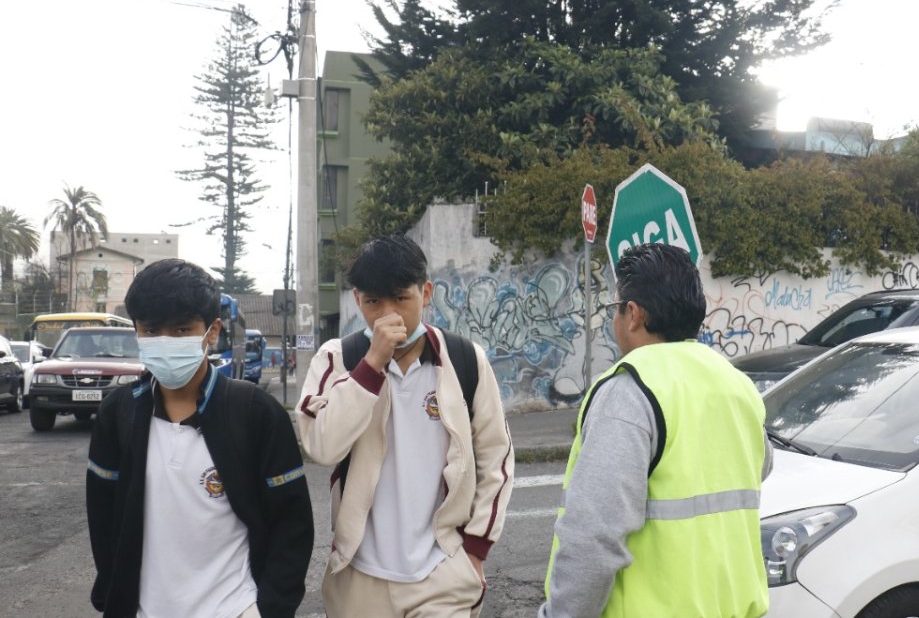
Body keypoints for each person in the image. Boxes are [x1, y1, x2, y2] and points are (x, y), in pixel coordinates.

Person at [541, 243, 772, 618]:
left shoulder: (629, 390)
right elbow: (760, 466)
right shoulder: (736, 384)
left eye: (613, 309)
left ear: (632, 314)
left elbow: (593, 538)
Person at [296, 235, 514, 618]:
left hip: (441, 573)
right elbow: (322, 447)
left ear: (426, 293)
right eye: (373, 302)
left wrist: (475, 552)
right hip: (359, 578)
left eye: (401, 298)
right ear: (357, 299)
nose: (388, 314)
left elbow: (495, 455)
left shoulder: (464, 359)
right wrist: (371, 366)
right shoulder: (337, 358)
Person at [86, 259, 314, 618]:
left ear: (211, 331)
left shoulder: (255, 412)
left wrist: (268, 608)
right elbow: (102, 518)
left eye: (180, 331)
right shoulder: (119, 414)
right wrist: (113, 594)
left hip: (236, 608)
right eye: (151, 330)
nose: (165, 343)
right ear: (136, 331)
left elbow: (293, 522)